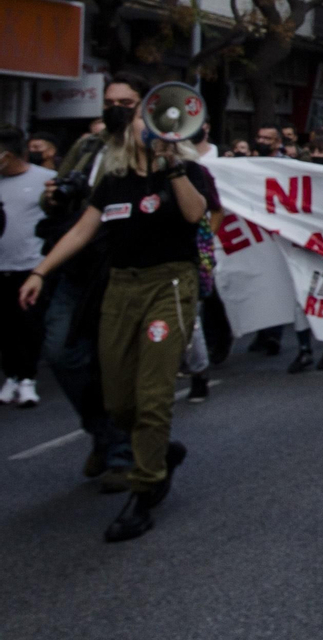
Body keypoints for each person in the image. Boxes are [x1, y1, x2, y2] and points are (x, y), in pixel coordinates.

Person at [20, 96, 217, 541]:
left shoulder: (189, 172)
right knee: (119, 404)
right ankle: (159, 449)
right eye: (139, 122)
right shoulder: (114, 179)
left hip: (169, 287)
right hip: (121, 288)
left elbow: (194, 213)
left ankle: (144, 490)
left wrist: (172, 165)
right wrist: (40, 272)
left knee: (152, 397)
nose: (146, 129)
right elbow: (81, 231)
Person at [34, 74, 145, 490]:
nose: (116, 107)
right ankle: (103, 433)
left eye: (126, 101)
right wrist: (55, 195)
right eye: (110, 100)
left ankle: (122, 450)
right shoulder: (87, 146)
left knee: (113, 364)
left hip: (120, 268)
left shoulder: (150, 148)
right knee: (62, 352)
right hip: (78, 266)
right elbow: (62, 195)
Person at [0, 126, 54, 407]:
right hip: (2, 265)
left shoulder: (46, 180)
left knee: (29, 324)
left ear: (7, 155)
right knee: (6, 325)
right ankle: (10, 376)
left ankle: (28, 379)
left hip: (32, 266)